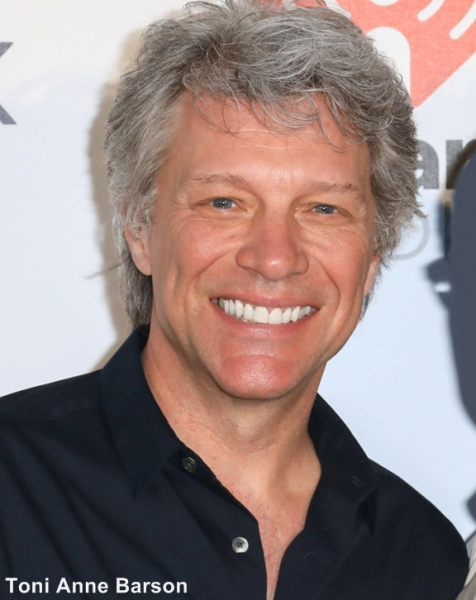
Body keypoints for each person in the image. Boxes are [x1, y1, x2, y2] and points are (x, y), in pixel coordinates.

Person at [0, 0, 468, 598]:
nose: (274, 257)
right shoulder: (11, 487)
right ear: (140, 231)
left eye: (323, 209)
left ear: (374, 255)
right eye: (224, 202)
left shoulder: (420, 555)